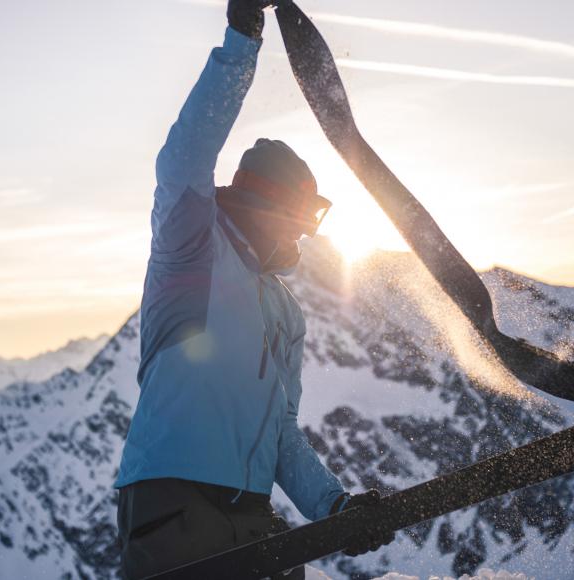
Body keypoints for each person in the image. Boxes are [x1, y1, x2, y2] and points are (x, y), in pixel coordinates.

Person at [114, 1, 395, 577]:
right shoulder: (192, 247)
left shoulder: (285, 312)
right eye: (300, 216)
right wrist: (243, 40)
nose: (304, 233)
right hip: (176, 506)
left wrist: (333, 508)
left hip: (251, 514)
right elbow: (182, 159)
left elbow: (279, 433)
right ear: (270, 207)